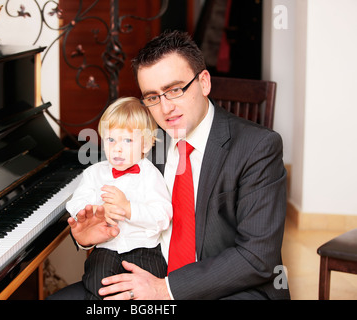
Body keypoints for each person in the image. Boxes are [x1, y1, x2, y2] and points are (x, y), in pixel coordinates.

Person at [53, 30, 290, 300]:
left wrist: (166, 290)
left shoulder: (258, 147)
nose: (165, 109)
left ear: (203, 82)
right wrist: (87, 237)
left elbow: (257, 257)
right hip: (148, 272)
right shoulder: (145, 144)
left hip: (227, 288)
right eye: (152, 97)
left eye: (175, 90)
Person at [65, 97, 172, 300]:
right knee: (98, 284)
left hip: (145, 251)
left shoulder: (151, 175)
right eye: (111, 139)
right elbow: (75, 204)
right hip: (107, 249)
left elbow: (162, 215)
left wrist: (128, 208)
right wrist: (99, 210)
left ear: (146, 145)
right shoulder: (94, 173)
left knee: (147, 290)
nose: (117, 148)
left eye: (128, 140)